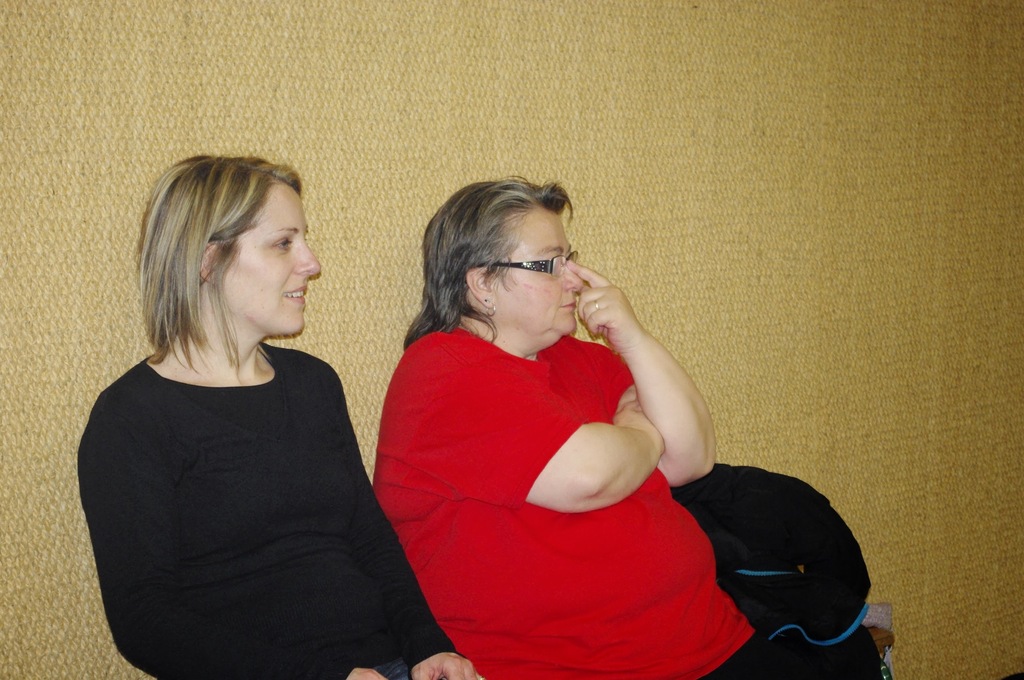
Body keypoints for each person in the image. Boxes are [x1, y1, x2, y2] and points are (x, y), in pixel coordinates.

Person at [372, 178, 881, 680]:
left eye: (570, 259)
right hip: (569, 665)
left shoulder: (578, 358)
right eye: (549, 264)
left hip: (710, 641)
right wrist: (642, 431)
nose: (574, 280)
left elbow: (692, 457)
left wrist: (633, 338)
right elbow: (590, 476)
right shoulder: (441, 371)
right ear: (481, 283)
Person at [78, 156, 480, 680]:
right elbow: (145, 621)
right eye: (283, 243)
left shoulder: (314, 383)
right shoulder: (132, 417)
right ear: (207, 260)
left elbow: (369, 538)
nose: (312, 263)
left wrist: (428, 646)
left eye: (303, 240)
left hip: (387, 663)